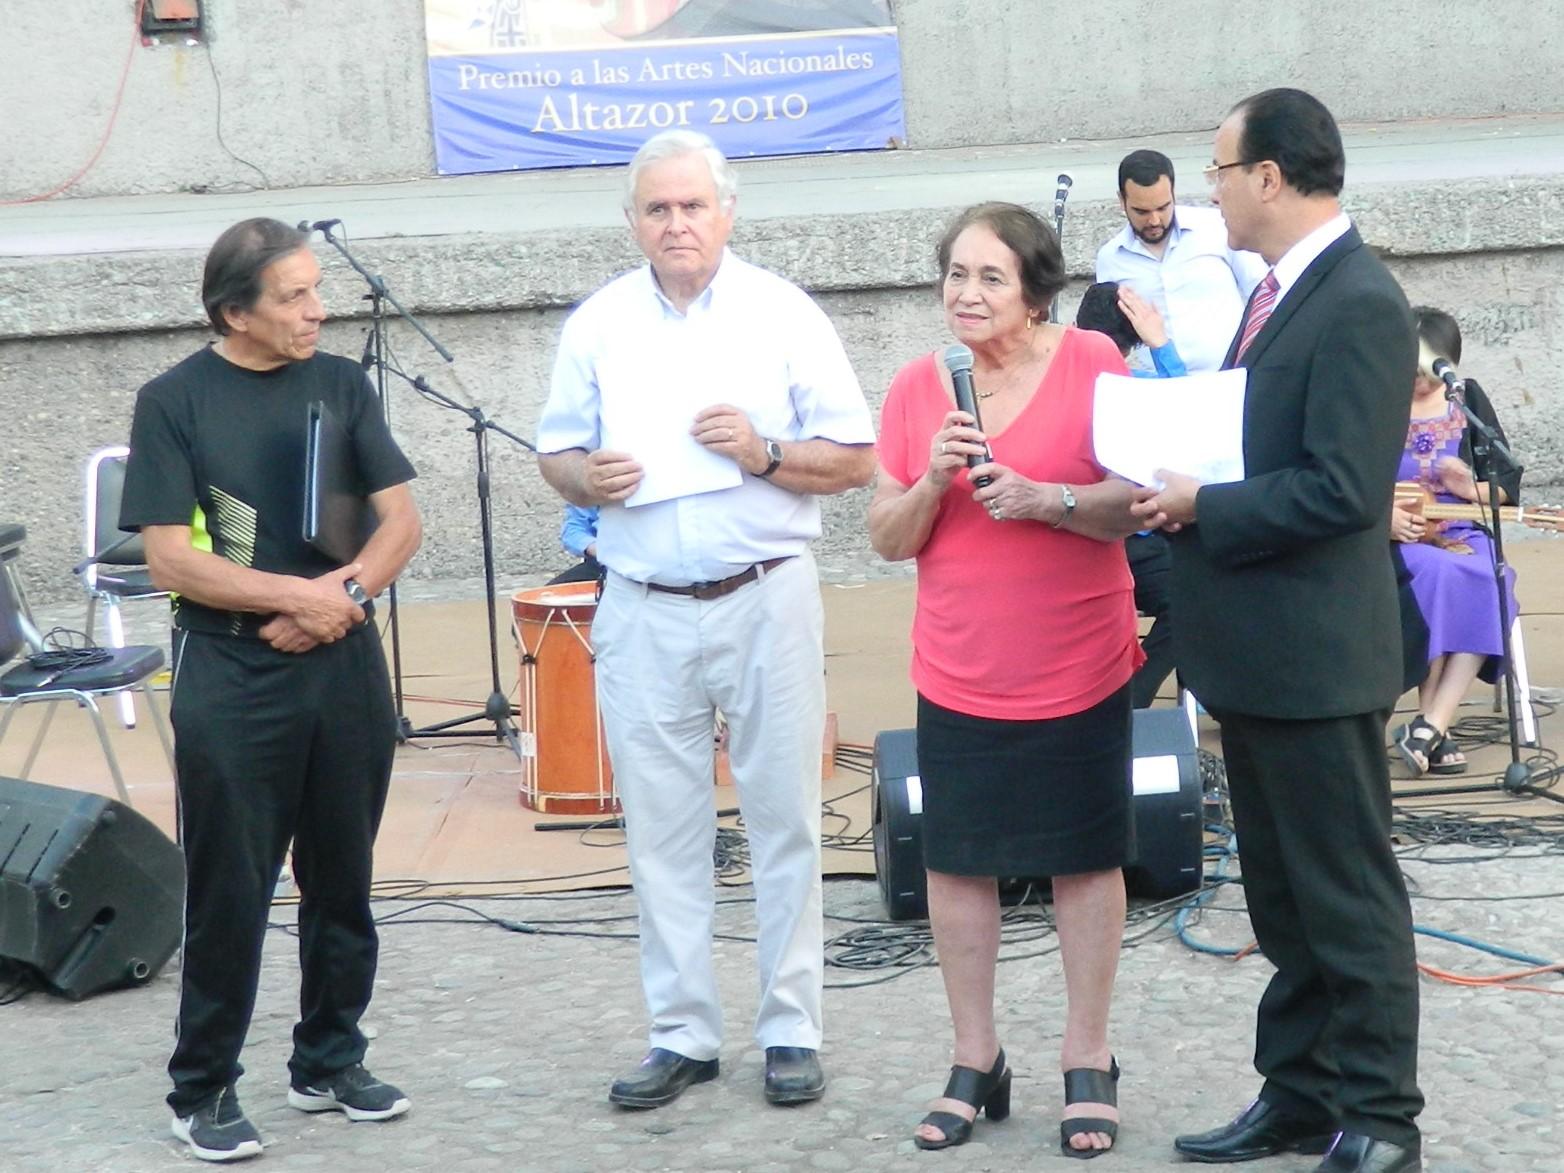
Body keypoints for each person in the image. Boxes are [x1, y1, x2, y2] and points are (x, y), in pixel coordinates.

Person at [536, 130, 875, 1110]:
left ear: (727, 213)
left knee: (785, 821)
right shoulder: (598, 322)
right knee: (660, 832)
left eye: (692, 206)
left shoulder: (781, 313)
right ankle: (681, 1033)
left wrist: (762, 452)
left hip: (763, 591)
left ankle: (790, 1030)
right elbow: (555, 452)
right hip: (641, 602)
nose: (676, 223)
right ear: (631, 221)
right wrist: (582, 475)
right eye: (657, 209)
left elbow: (855, 458)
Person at [1134, 89, 1424, 1173]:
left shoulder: (1355, 300)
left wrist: (1206, 505)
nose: (1206, 190)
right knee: (1282, 898)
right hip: (1256, 654)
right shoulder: (1274, 295)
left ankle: (1382, 1118)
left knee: (1344, 896)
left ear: (1270, 175)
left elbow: (1344, 491)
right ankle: (1300, 1095)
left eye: (1217, 169)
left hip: (1315, 659)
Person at [121, 218, 423, 1162]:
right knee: (232, 886)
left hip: (342, 662)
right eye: (293, 296)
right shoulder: (174, 402)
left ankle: (329, 1056)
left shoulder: (341, 383)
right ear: (233, 312)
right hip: (234, 669)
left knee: (344, 874)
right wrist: (301, 597)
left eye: (315, 288)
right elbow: (171, 557)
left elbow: (402, 520)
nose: (316, 309)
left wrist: (345, 596)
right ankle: (201, 1085)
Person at [869, 201, 1147, 1158]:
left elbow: (1134, 507)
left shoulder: (1093, 365)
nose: (967, 294)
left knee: (1083, 856)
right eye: (954, 274)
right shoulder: (918, 388)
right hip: (961, 665)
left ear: (1035, 289)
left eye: (990, 277)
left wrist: (1049, 499)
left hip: (1078, 658)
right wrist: (929, 483)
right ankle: (975, 1055)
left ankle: (1088, 1055)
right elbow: (886, 537)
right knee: (957, 862)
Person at [1390, 307, 1522, 776]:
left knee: (1490, 575)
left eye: (1430, 372)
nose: (1421, 382)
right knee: (1439, 575)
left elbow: (1505, 482)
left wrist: (1473, 489)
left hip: (1462, 529)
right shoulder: (1376, 401)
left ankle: (1431, 723)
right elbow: (1347, 479)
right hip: (1401, 537)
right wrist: (1384, 516)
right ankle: (1434, 730)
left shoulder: (1468, 402)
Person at [1076, 281, 1187, 707]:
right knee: (1191, 600)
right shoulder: (1139, 383)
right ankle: (1135, 695)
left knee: (1188, 592)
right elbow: (1191, 407)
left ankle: (1135, 695)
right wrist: (1161, 343)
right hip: (1112, 539)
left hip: (1114, 537)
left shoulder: (1131, 385)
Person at [1095, 149, 1267, 373]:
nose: (1154, 220)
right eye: (1141, 211)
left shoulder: (1216, 227)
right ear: (1121, 201)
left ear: (1173, 194)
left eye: (1163, 207)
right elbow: (1110, 338)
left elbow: (1261, 290)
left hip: (1231, 377)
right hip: (1161, 387)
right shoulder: (1110, 259)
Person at [547, 503, 602, 585]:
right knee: (548, 595)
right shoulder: (595, 492)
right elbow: (574, 527)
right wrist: (593, 547)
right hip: (603, 564)